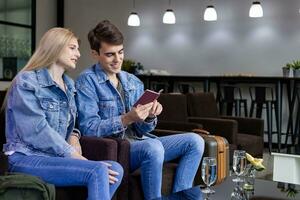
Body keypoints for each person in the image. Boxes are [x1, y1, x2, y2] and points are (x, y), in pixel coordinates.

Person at [75, 20, 205, 200]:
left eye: (120, 52)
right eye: (110, 54)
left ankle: (181, 194)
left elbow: (141, 130)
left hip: (140, 141)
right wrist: (126, 119)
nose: (117, 59)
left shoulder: (132, 81)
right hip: (117, 148)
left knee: (195, 141)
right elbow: (88, 128)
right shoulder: (86, 82)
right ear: (95, 54)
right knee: (153, 147)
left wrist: (149, 116)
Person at [2, 27, 123, 200]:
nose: (79, 54)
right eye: (73, 48)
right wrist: (77, 158)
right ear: (55, 47)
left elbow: (71, 124)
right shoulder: (27, 81)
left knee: (115, 169)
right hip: (26, 158)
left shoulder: (70, 85)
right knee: (98, 170)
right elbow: (37, 131)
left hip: (55, 157)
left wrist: (74, 135)